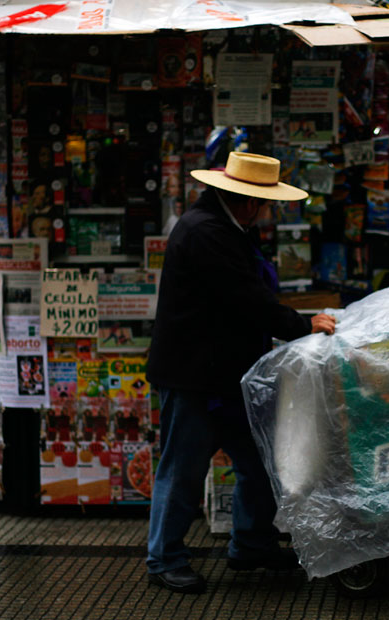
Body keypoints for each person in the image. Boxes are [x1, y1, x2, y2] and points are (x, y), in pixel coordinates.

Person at [145, 151, 336, 594]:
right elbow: (246, 299)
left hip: (229, 373)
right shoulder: (206, 233)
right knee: (182, 470)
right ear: (249, 202)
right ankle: (164, 559)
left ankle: (251, 544)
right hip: (194, 377)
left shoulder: (224, 226)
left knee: (258, 461)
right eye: (267, 204)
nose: (268, 212)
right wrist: (301, 326)